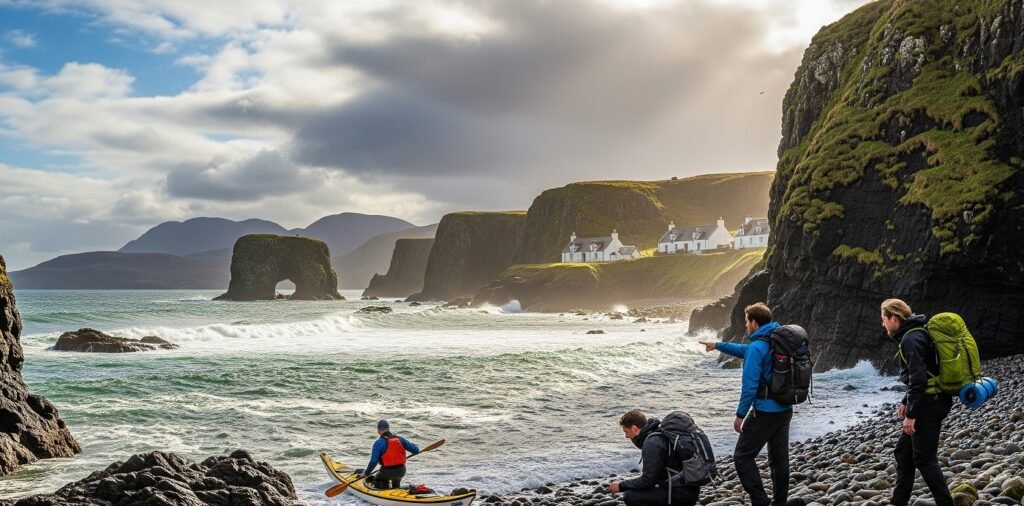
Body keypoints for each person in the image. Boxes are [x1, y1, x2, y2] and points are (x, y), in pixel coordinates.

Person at [699, 302, 791, 506]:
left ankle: (760, 502)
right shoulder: (775, 339)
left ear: (755, 323)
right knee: (779, 459)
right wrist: (718, 345)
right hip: (785, 408)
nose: (746, 325)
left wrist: (740, 415)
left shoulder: (758, 347)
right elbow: (745, 350)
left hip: (765, 412)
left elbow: (749, 387)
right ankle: (780, 503)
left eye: (747, 321)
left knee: (742, 457)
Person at [881, 298, 954, 506]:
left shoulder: (910, 340)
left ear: (894, 318)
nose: (883, 324)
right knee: (903, 452)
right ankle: (898, 500)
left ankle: (946, 503)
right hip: (931, 399)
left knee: (924, 459)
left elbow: (919, 379)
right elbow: (925, 371)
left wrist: (911, 415)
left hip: (928, 404)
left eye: (883, 319)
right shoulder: (918, 333)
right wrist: (906, 400)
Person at [608, 410, 701, 506]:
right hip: (689, 491)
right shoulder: (659, 435)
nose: (626, 436)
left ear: (634, 429)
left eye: (626, 431)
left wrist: (621, 486)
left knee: (630, 496)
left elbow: (647, 481)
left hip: (679, 496)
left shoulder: (652, 443)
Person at [358, 419, 420, 489]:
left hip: (386, 472)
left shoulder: (378, 443)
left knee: (378, 479)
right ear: (388, 429)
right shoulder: (400, 439)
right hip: (401, 471)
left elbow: (373, 461)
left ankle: (382, 494)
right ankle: (396, 492)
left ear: (378, 430)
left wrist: (366, 474)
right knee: (395, 483)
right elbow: (416, 450)